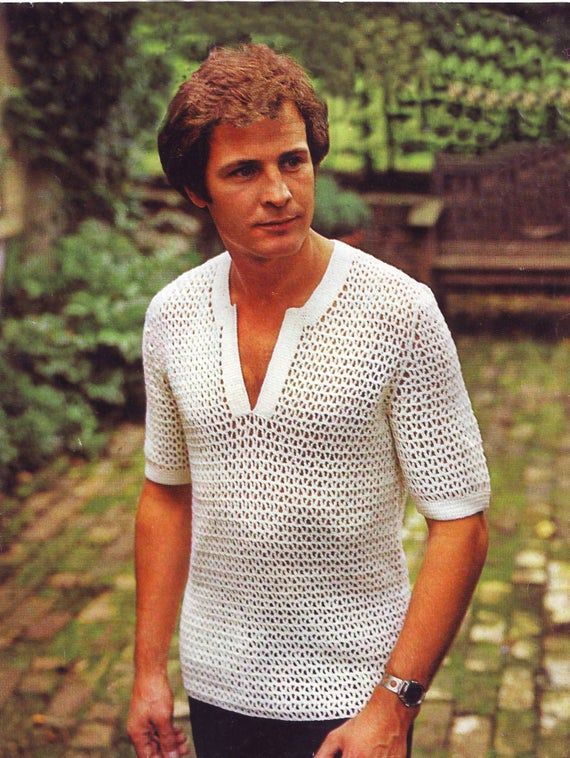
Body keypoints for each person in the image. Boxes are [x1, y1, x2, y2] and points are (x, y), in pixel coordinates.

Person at [127, 43, 490, 758]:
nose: (280, 192)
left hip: (357, 696)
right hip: (216, 684)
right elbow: (165, 495)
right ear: (197, 189)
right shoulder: (171, 315)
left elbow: (461, 525)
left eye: (292, 160)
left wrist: (395, 706)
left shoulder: (399, 312)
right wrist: (148, 672)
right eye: (244, 171)